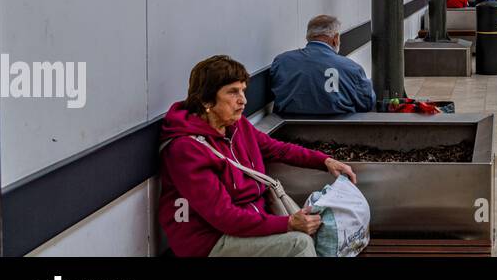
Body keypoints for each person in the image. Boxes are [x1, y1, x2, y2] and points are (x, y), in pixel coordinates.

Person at [160, 55, 358, 257]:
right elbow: (225, 217)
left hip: (251, 222)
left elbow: (277, 149)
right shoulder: (185, 149)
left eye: (243, 90)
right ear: (206, 100)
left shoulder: (236, 125)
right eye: (233, 92)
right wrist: (288, 223)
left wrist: (324, 161)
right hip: (210, 241)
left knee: (316, 227)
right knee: (299, 243)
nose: (243, 100)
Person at [270, 15, 377, 116]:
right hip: (340, 131)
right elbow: (367, 103)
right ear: (335, 39)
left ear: (309, 37)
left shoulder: (281, 62)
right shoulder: (351, 68)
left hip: (286, 130)